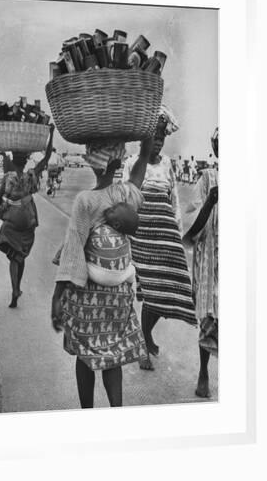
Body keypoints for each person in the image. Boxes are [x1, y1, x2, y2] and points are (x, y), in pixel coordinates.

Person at [51, 137, 154, 409]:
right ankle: (115, 412)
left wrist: (57, 296)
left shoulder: (86, 200)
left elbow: (73, 248)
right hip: (119, 296)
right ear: (119, 162)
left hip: (88, 296)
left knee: (85, 357)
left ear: (92, 163)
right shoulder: (124, 194)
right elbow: (139, 172)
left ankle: (88, 413)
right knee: (114, 355)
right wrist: (147, 144)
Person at [123, 108, 196, 371]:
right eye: (154, 138)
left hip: (164, 238)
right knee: (149, 291)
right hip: (141, 238)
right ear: (144, 139)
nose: (158, 143)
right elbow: (126, 199)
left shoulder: (167, 164)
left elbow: (174, 200)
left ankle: (146, 336)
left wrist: (176, 231)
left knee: (164, 292)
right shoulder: (132, 163)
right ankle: (143, 347)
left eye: (161, 139)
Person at [0, 125, 55, 308]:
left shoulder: (8, 175)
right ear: (27, 159)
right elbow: (46, 157)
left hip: (12, 219)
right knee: (20, 255)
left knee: (13, 256)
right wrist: (50, 134)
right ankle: (17, 288)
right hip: (28, 218)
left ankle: (15, 288)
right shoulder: (31, 175)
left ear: (14, 159)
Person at [184, 128, 218, 398]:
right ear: (215, 147)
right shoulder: (206, 179)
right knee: (208, 317)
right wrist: (210, 201)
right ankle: (203, 372)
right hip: (211, 260)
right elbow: (191, 229)